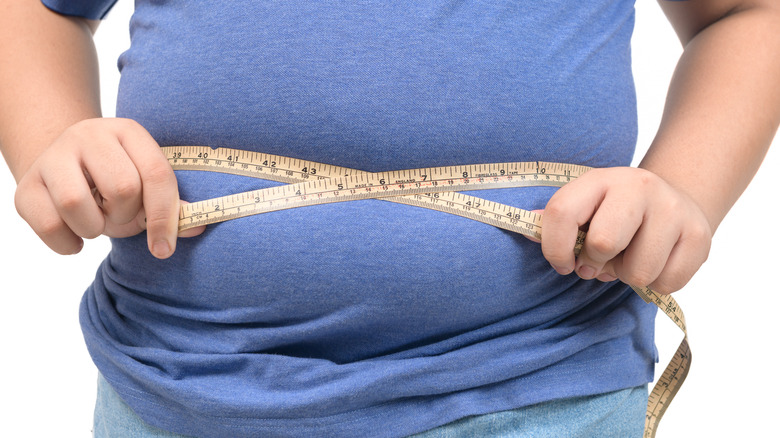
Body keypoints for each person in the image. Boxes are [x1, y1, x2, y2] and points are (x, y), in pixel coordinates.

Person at [1, 0, 778, 437]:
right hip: (178, 385)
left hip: (532, 384)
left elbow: (745, 16)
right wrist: (53, 138)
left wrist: (682, 188)